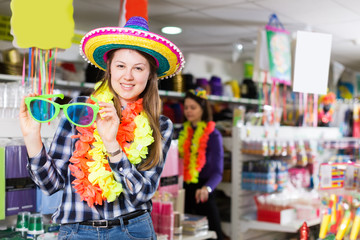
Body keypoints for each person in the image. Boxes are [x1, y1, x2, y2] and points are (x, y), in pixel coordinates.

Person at [19, 16, 184, 240]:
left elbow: (142, 194)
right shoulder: (79, 110)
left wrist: (111, 145)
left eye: (138, 68)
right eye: (120, 66)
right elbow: (51, 185)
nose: (128, 76)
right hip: (77, 232)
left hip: (132, 231)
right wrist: (32, 138)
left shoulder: (161, 126)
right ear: (109, 69)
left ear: (150, 74)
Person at [178, 88, 224, 240]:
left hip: (204, 190)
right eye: (186, 107)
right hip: (185, 189)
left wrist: (208, 188)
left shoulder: (213, 134)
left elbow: (218, 171)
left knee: (213, 234)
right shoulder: (183, 132)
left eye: (193, 107)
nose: (188, 111)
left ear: (202, 109)